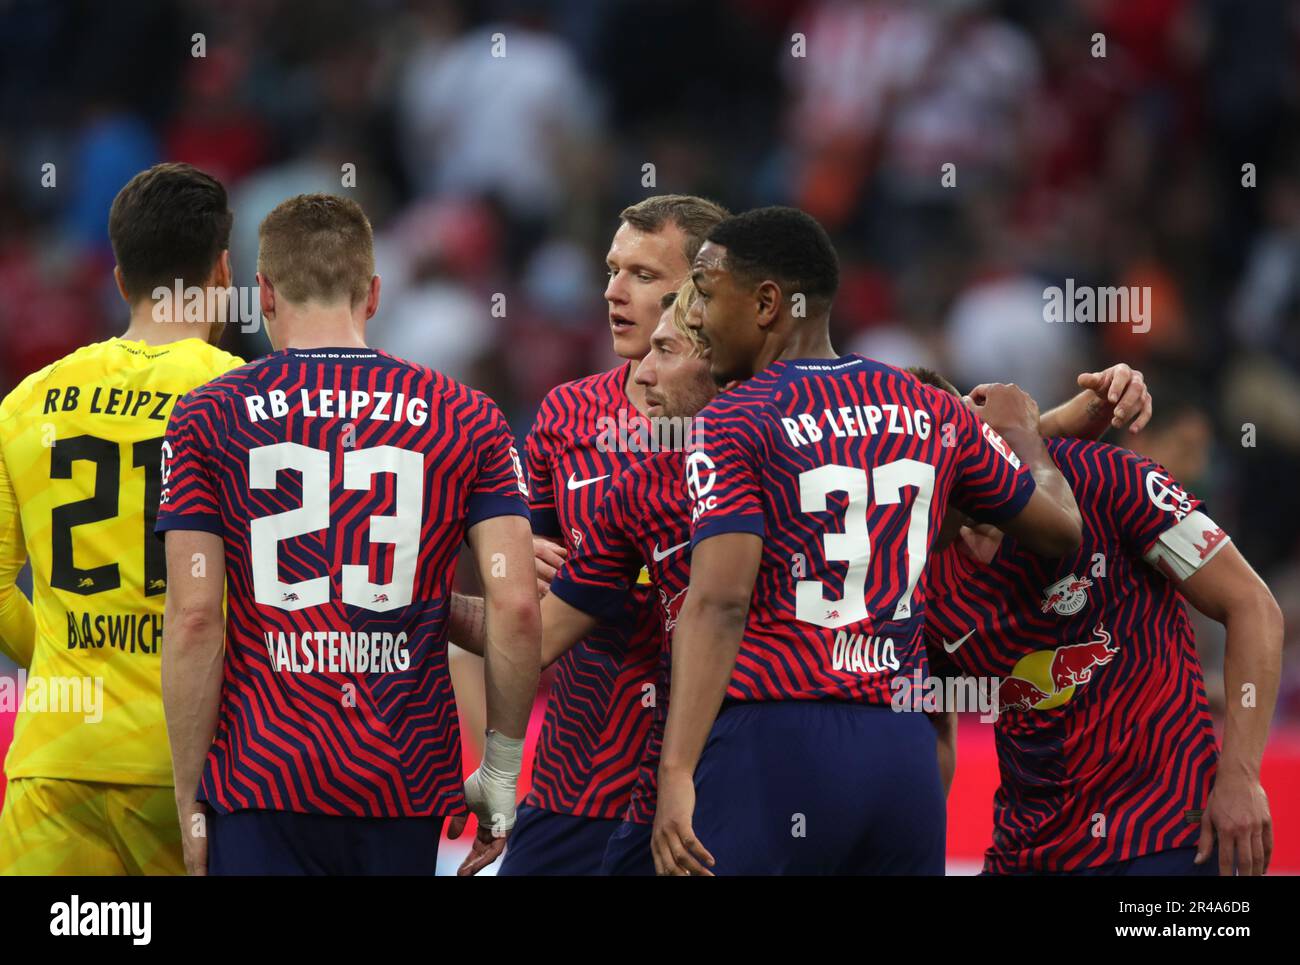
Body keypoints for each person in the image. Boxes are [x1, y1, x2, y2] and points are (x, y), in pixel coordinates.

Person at [654, 206, 1084, 875]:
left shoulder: (735, 418)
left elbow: (720, 603)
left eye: (706, 294)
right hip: (901, 753)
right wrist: (1029, 439)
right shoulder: (929, 405)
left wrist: (676, 770)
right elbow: (1060, 531)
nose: (697, 319)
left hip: (776, 740)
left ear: (768, 303)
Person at [156, 194, 540, 875]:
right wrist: (501, 776)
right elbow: (514, 607)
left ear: (264, 292)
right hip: (400, 779)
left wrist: (190, 801)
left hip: (261, 774)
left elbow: (191, 619)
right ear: (373, 293)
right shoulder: (469, 416)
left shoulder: (206, 415)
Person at [914, 368, 1282, 876]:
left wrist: (1241, 777)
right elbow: (935, 718)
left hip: (1163, 834)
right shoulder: (917, 570)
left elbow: (1252, 605)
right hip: (1028, 851)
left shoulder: (1108, 477)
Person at [0, 163, 245, 874]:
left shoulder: (27, 400)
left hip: (55, 767)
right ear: (222, 272)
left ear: (118, 277)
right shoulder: (243, 400)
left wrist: (61, 650)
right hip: (195, 772)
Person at [490, 195, 728, 876]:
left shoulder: (756, 424)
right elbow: (526, 590)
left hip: (713, 781)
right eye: (612, 269)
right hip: (578, 777)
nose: (614, 293)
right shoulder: (566, 414)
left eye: (644, 276)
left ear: (705, 292)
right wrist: (504, 557)